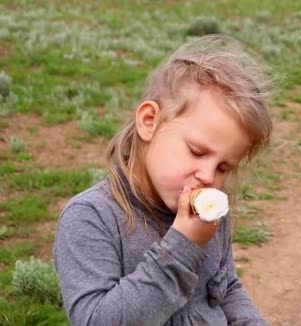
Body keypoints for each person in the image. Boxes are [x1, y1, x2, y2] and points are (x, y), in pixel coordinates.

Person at [53, 35, 272, 325]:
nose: (208, 176)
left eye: (223, 167)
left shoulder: (209, 210)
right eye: (196, 151)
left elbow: (226, 288)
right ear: (149, 122)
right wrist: (184, 244)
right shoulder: (91, 218)